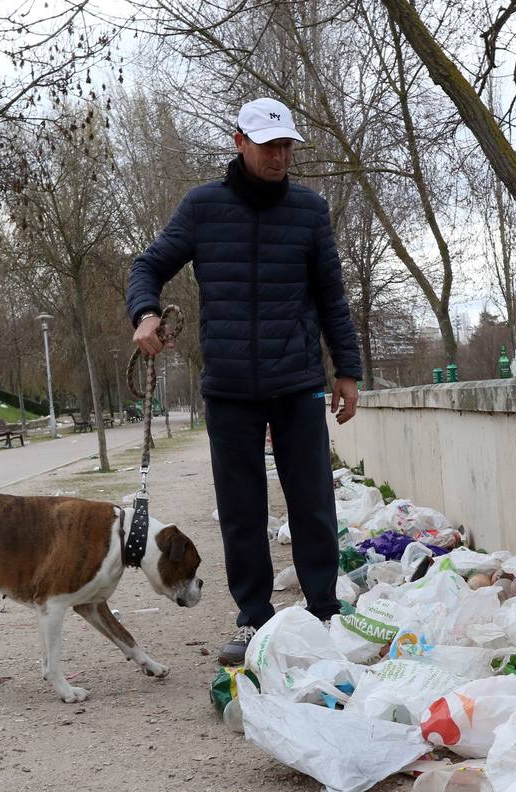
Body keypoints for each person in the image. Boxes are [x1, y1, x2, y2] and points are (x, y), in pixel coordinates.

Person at [126, 97, 363, 666]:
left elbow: (332, 295)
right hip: (230, 388)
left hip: (297, 379)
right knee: (241, 510)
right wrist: (145, 313)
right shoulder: (204, 206)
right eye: (268, 146)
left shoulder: (309, 211)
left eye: (286, 147)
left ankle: (325, 613)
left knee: (311, 502)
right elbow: (148, 265)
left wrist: (347, 370)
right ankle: (254, 619)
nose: (279, 156)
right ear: (239, 142)